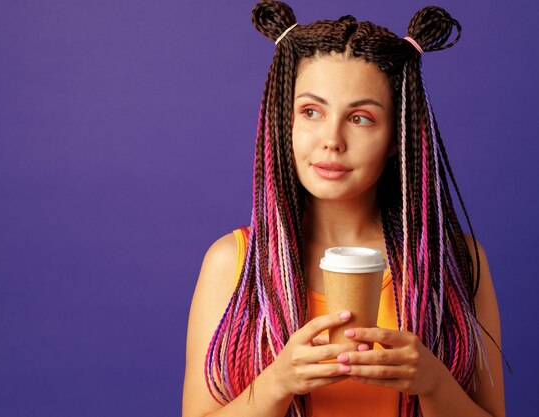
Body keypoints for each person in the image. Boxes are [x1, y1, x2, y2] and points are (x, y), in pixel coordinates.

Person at [182, 1, 505, 416]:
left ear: (395, 137)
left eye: (361, 118)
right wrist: (278, 383)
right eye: (311, 111)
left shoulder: (455, 262)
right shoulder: (234, 264)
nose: (332, 139)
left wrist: (434, 382)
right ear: (287, 124)